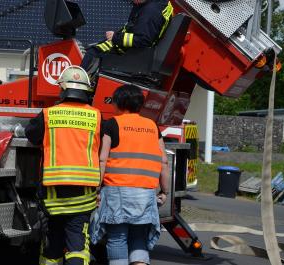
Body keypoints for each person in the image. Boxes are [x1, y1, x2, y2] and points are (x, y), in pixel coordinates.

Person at [25, 65, 102, 265]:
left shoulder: (49, 114)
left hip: (53, 195)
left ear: (62, 89)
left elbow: (31, 135)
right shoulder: (97, 116)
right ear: (87, 90)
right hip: (84, 195)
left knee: (52, 245)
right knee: (77, 246)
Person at [90, 84, 170, 265]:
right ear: (140, 104)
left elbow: (102, 160)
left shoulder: (112, 124)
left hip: (117, 193)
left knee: (117, 239)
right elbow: (164, 161)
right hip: (145, 194)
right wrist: (164, 191)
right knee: (139, 239)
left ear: (118, 102)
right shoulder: (152, 127)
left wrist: (95, 189)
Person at [80, 0, 173, 73]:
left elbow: (143, 40)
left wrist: (116, 37)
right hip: (137, 54)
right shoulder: (159, 4)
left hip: (132, 56)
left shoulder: (150, 12)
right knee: (95, 48)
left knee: (92, 53)